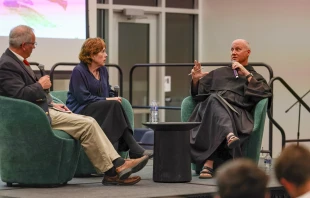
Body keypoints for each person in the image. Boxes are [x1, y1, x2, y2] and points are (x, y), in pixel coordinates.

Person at [0, 25, 149, 186]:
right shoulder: (7, 64)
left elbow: (30, 95)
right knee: (88, 123)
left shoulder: (17, 62)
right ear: (24, 45)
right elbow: (19, 95)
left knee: (93, 119)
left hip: (43, 110)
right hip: (34, 115)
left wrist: (52, 103)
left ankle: (115, 170)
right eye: (33, 45)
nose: (34, 49)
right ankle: (117, 168)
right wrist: (40, 85)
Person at [188, 39, 272, 179]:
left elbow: (264, 93)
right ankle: (229, 135)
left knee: (214, 102)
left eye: (238, 49)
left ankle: (209, 164)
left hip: (237, 114)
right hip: (210, 112)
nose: (233, 52)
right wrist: (196, 80)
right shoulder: (219, 72)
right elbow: (198, 95)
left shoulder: (254, 76)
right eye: (232, 49)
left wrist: (246, 73)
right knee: (214, 99)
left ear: (248, 52)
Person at [66, 37, 152, 159]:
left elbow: (107, 90)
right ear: (92, 54)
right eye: (102, 52)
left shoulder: (103, 70)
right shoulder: (79, 71)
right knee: (113, 106)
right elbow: (83, 98)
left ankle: (127, 150)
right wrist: (108, 100)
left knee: (115, 106)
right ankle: (132, 147)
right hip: (80, 110)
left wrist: (113, 97)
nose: (106, 55)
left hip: (100, 109)